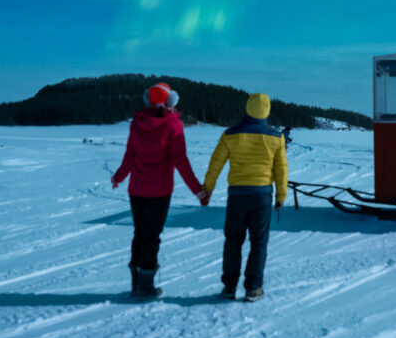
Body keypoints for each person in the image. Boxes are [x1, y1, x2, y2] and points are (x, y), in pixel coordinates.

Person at [111, 82, 207, 299]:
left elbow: (129, 158)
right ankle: (145, 287)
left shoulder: (137, 124)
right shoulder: (173, 125)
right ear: (170, 101)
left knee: (140, 233)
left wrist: (118, 177)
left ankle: (137, 284)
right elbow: (181, 161)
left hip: (136, 190)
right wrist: (198, 191)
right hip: (159, 191)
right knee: (151, 236)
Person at [202, 93, 288, 302]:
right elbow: (281, 168)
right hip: (262, 197)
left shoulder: (230, 134)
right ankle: (254, 288)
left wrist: (207, 189)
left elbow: (216, 163)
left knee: (233, 242)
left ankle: (229, 287)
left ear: (248, 109)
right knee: (259, 243)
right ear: (267, 110)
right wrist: (281, 195)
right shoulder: (276, 137)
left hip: (237, 196)